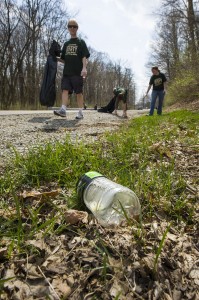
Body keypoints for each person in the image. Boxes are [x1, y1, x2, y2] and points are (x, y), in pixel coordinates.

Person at [54, 19, 90, 119]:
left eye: (74, 26)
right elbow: (63, 59)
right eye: (70, 26)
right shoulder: (66, 44)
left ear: (77, 28)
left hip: (77, 72)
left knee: (78, 93)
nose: (72, 28)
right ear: (68, 28)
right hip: (67, 72)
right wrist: (55, 57)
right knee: (65, 90)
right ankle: (63, 110)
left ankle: (80, 112)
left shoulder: (81, 42)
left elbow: (84, 56)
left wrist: (84, 68)